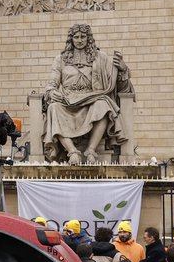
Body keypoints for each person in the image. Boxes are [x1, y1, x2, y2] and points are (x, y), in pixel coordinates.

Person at [42, 23, 132, 164]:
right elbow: (52, 83)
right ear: (71, 39)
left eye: (83, 36)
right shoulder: (60, 60)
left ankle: (91, 150)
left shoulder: (100, 58)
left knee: (103, 104)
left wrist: (123, 70)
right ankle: (72, 152)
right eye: (76, 37)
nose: (79, 40)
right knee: (53, 108)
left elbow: (117, 86)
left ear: (88, 38)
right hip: (68, 101)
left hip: (92, 99)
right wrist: (51, 92)